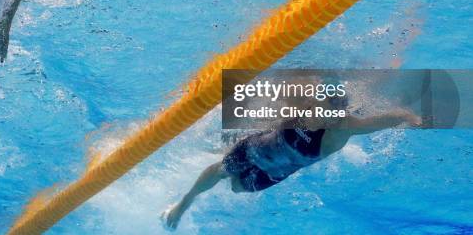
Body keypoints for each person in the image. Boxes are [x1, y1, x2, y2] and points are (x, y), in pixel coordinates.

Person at [161, 93, 421, 230]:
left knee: (235, 186)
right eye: (322, 108)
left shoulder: (342, 131)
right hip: (255, 148)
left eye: (330, 114)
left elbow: (382, 120)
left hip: (273, 172)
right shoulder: (304, 106)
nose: (322, 115)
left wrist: (408, 116)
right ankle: (182, 205)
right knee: (222, 170)